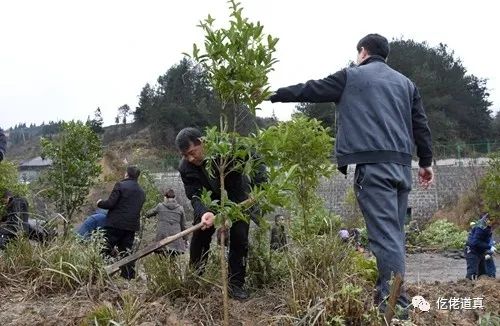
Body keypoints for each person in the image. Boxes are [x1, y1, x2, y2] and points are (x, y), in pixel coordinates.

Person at [269, 34, 434, 317]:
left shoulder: (351, 77)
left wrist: (273, 93)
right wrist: (426, 162)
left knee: (384, 236)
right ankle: (391, 293)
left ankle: (395, 303)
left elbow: (310, 90)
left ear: (362, 52)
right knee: (394, 233)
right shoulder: (406, 84)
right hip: (401, 167)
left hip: (374, 167)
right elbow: (420, 124)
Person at [175, 127, 267, 300]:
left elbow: (256, 159)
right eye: (185, 155)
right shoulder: (185, 167)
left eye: (192, 153)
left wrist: (260, 187)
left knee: (240, 236)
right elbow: (195, 195)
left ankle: (235, 285)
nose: (190, 158)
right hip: (210, 200)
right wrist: (204, 212)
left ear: (203, 142)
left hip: (237, 196)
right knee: (200, 234)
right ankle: (196, 277)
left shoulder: (228, 147)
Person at [97, 166, 145, 279]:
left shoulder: (120, 185)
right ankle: (128, 276)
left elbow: (110, 204)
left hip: (115, 224)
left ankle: (99, 273)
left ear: (127, 174)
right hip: (131, 226)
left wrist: (100, 203)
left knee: (104, 248)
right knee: (126, 252)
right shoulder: (142, 192)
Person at [145, 188, 188, 257]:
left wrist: (144, 213)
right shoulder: (180, 208)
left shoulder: (160, 206)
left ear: (165, 197)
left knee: (162, 258)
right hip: (176, 239)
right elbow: (183, 226)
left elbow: (148, 214)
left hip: (162, 238)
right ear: (174, 197)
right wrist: (186, 239)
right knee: (173, 259)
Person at [465, 213, 495, 280]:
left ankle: (480, 286)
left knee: (482, 272)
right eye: (490, 220)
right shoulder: (480, 227)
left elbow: (488, 239)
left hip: (480, 251)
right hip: (471, 250)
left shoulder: (488, 228)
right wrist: (489, 247)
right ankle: (468, 285)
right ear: (486, 220)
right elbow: (475, 242)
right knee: (473, 271)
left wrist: (489, 250)